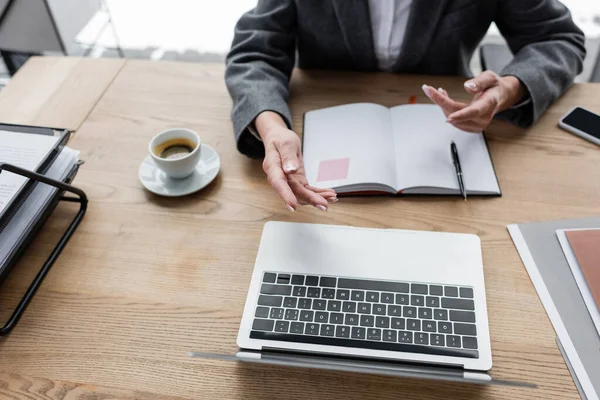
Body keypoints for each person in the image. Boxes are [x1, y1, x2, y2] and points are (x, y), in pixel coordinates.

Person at [225, 0, 586, 212]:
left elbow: (558, 39)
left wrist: (507, 89)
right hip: (324, 124)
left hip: (447, 144)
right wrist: (271, 125)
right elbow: (256, 50)